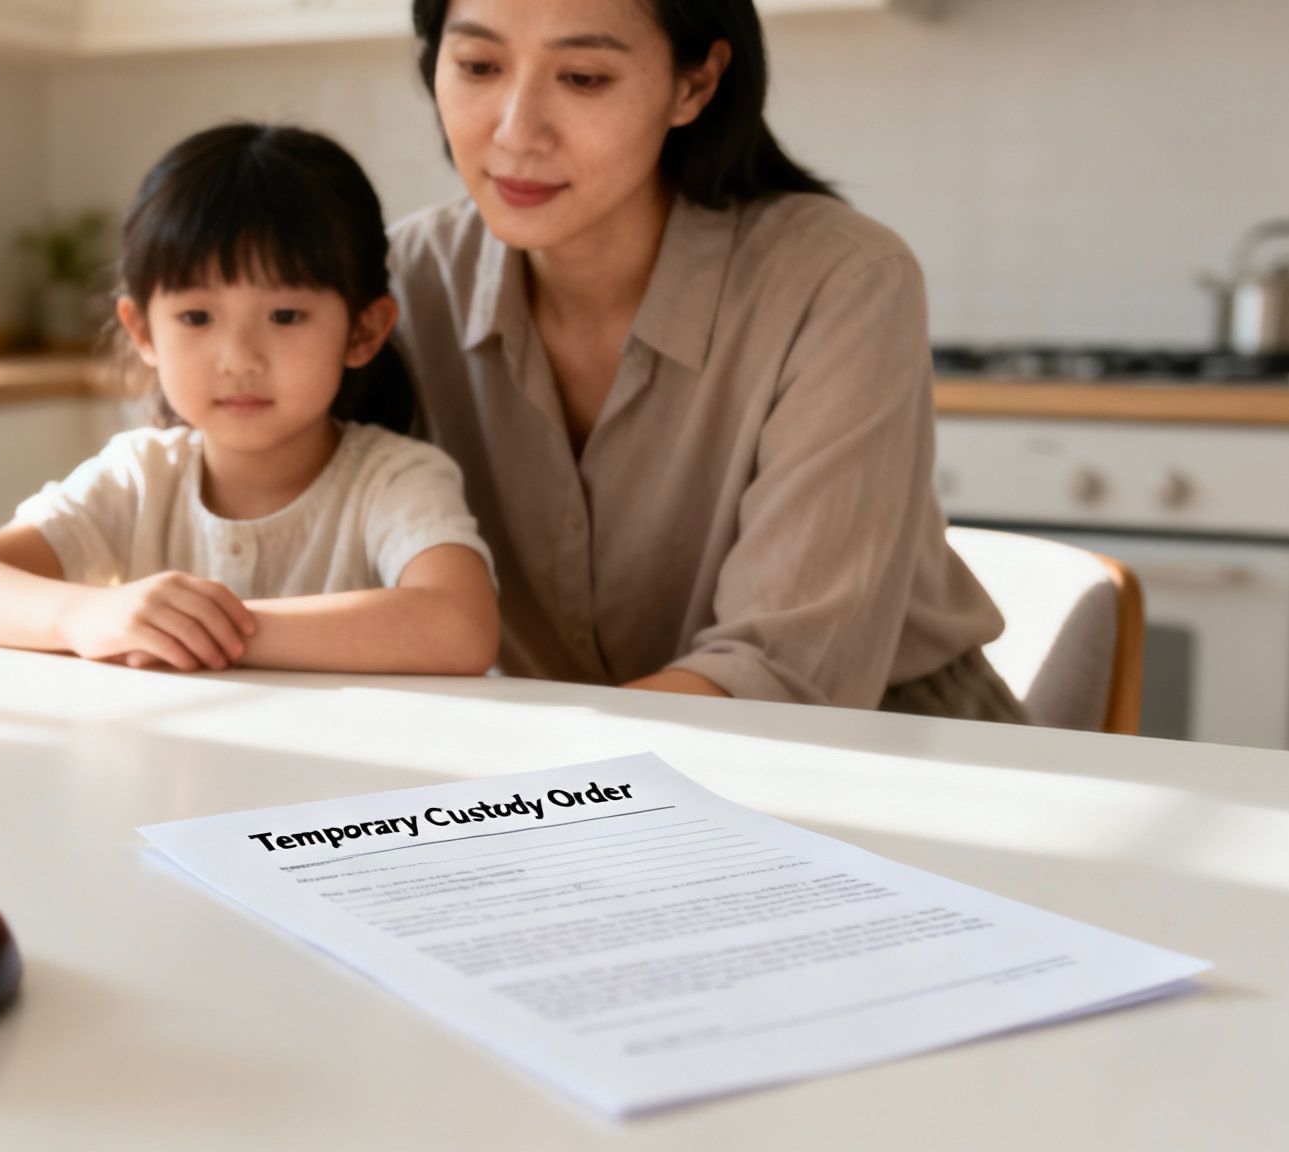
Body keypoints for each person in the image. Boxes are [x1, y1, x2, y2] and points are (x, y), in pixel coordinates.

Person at [388, 0, 1026, 720]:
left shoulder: (840, 280)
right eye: (478, 66)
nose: (514, 131)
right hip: (594, 773)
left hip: (888, 751)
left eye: (584, 78)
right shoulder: (398, 286)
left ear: (694, 85)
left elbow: (779, 673)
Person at [0, 123, 499, 676]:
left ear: (364, 331)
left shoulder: (395, 480)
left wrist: (207, 631)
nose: (238, 358)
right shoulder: (137, 478)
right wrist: (85, 615)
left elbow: (461, 626)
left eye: (285, 315)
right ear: (142, 332)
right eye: (196, 316)